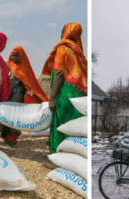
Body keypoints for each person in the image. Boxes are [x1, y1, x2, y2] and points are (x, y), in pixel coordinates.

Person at [42, 22, 89, 153]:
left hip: (65, 93)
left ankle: (57, 156)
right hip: (78, 95)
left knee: (60, 125)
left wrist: (51, 98)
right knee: (73, 126)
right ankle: (72, 154)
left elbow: (58, 73)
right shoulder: (78, 51)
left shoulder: (63, 48)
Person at [1, 45, 50, 146]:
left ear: (21, 57)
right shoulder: (6, 66)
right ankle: (6, 135)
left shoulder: (25, 68)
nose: (14, 58)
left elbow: (29, 83)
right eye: (13, 55)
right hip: (6, 93)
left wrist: (29, 91)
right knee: (5, 114)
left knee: (16, 115)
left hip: (18, 93)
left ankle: (13, 136)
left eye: (17, 56)